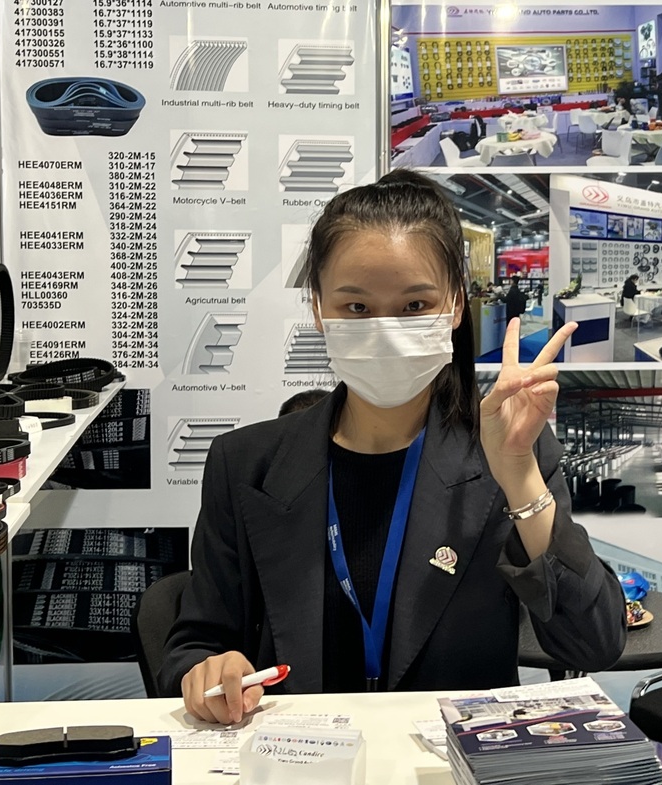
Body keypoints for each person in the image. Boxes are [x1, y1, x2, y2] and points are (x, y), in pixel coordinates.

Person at [160, 169, 626, 724]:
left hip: (447, 759)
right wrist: (209, 671)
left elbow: (593, 642)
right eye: (356, 308)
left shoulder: (509, 452)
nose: (384, 331)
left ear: (455, 306)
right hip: (298, 755)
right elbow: (195, 644)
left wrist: (520, 477)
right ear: (318, 309)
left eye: (414, 305)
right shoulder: (246, 465)